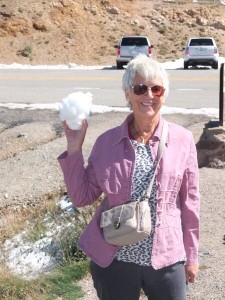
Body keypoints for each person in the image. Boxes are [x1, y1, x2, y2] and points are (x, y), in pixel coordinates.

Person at [58, 54, 200, 300]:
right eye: (140, 88)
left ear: (164, 94)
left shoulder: (183, 139)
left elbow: (190, 203)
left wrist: (192, 256)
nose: (149, 95)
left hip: (167, 257)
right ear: (128, 94)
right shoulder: (107, 143)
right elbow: (82, 197)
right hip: (116, 260)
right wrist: (74, 147)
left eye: (157, 89)